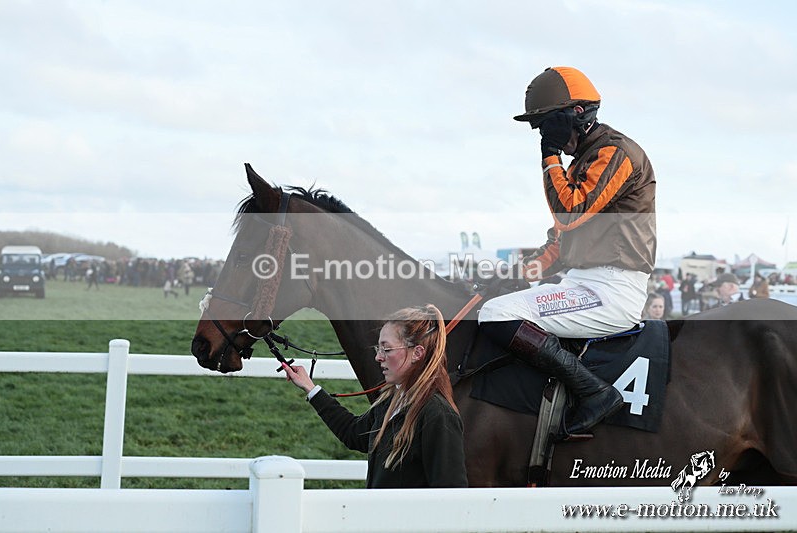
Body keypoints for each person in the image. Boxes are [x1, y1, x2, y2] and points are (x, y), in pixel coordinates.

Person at [478, 66, 657, 436]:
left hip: (611, 290)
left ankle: (594, 392)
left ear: (577, 114)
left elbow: (570, 211)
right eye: (540, 130)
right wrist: (518, 273)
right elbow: (559, 242)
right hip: (583, 283)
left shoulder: (616, 154)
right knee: (501, 302)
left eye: (546, 125)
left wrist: (549, 157)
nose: (544, 135)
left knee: (495, 315)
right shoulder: (586, 162)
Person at [281, 304, 468, 488]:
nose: (378, 357)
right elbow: (353, 433)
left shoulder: (438, 415)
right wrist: (310, 388)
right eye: (378, 349)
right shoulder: (391, 401)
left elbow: (450, 496)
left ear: (417, 353)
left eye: (386, 349)